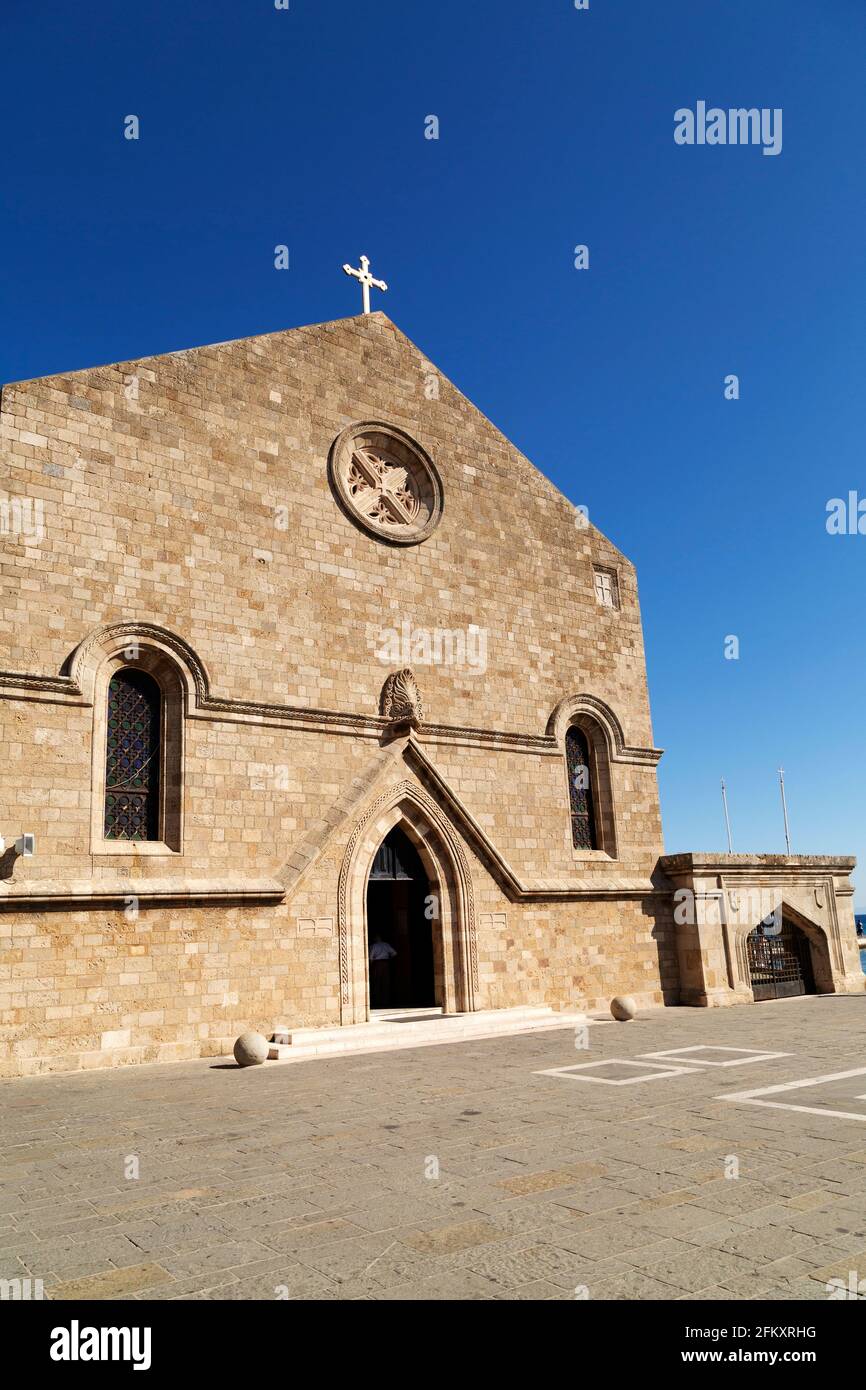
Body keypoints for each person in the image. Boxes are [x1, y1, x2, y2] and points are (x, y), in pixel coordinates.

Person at [369, 934, 397, 1007]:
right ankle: (385, 1001)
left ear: (375, 939)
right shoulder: (386, 945)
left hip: (377, 964)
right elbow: (394, 953)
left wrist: (371, 966)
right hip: (386, 963)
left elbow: (371, 957)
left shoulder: (374, 946)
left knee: (376, 981)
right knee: (385, 982)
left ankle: (377, 1001)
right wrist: (389, 960)